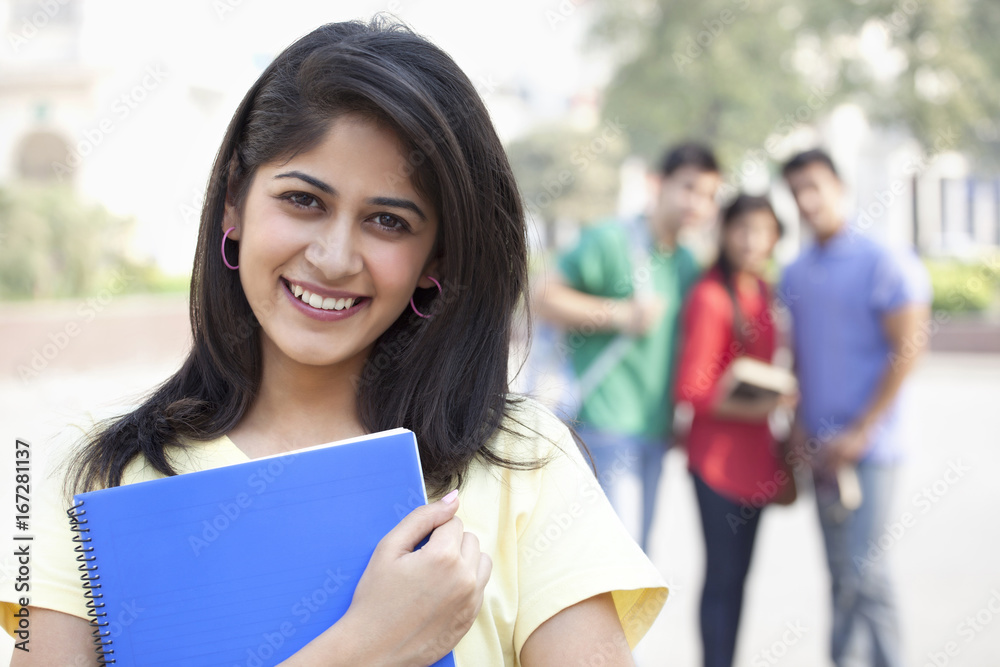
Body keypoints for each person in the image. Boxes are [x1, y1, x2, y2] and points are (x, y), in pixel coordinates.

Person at [0, 18, 668, 666]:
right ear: (235, 199)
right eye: (304, 201)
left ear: (435, 258)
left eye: (387, 220)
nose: (333, 255)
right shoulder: (87, 476)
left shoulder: (526, 462)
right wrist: (366, 646)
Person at [779, 149, 932, 667]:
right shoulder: (796, 273)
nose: (806, 199)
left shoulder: (883, 260)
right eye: (796, 190)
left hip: (870, 448)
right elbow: (800, 356)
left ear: (839, 188)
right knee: (842, 574)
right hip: (821, 451)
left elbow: (909, 347)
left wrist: (863, 429)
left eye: (815, 186)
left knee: (866, 573)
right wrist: (798, 424)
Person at [532, 142, 722, 553]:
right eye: (688, 188)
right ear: (660, 184)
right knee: (617, 557)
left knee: (637, 556)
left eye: (709, 196)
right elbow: (543, 297)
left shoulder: (688, 261)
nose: (697, 203)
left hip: (655, 429)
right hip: (603, 421)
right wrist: (620, 314)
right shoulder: (611, 239)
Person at [674, 194, 793, 667]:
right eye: (741, 228)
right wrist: (769, 398)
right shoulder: (710, 295)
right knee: (722, 579)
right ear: (724, 232)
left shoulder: (762, 290)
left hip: (757, 461)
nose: (751, 240)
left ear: (776, 237)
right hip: (716, 463)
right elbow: (692, 389)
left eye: (763, 230)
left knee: (740, 578)